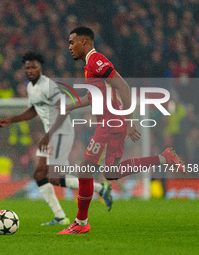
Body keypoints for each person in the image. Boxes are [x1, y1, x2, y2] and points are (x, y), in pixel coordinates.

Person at [57, 27, 185, 234]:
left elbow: (123, 87)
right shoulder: (90, 65)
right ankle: (164, 158)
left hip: (111, 121)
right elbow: (93, 97)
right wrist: (68, 106)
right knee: (111, 173)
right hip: (110, 121)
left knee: (84, 170)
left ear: (84, 42)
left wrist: (130, 120)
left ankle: (81, 223)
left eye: (72, 43)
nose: (69, 47)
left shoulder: (96, 60)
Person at [0, 51, 113, 226]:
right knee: (39, 174)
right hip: (49, 135)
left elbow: (63, 109)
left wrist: (48, 135)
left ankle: (99, 188)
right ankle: (60, 216)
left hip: (61, 133)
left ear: (40, 68)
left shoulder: (48, 86)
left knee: (53, 177)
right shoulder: (31, 87)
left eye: (33, 67)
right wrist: (12, 120)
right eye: (27, 67)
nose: (30, 70)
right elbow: (33, 110)